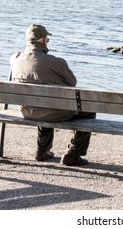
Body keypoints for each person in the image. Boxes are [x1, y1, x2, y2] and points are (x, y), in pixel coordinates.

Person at [10, 24, 95, 166]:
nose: (48, 41)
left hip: (27, 111)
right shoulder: (57, 62)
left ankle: (42, 151)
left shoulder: (15, 59)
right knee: (89, 109)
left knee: (42, 102)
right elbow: (72, 82)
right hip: (54, 112)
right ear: (43, 41)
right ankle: (73, 154)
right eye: (47, 39)